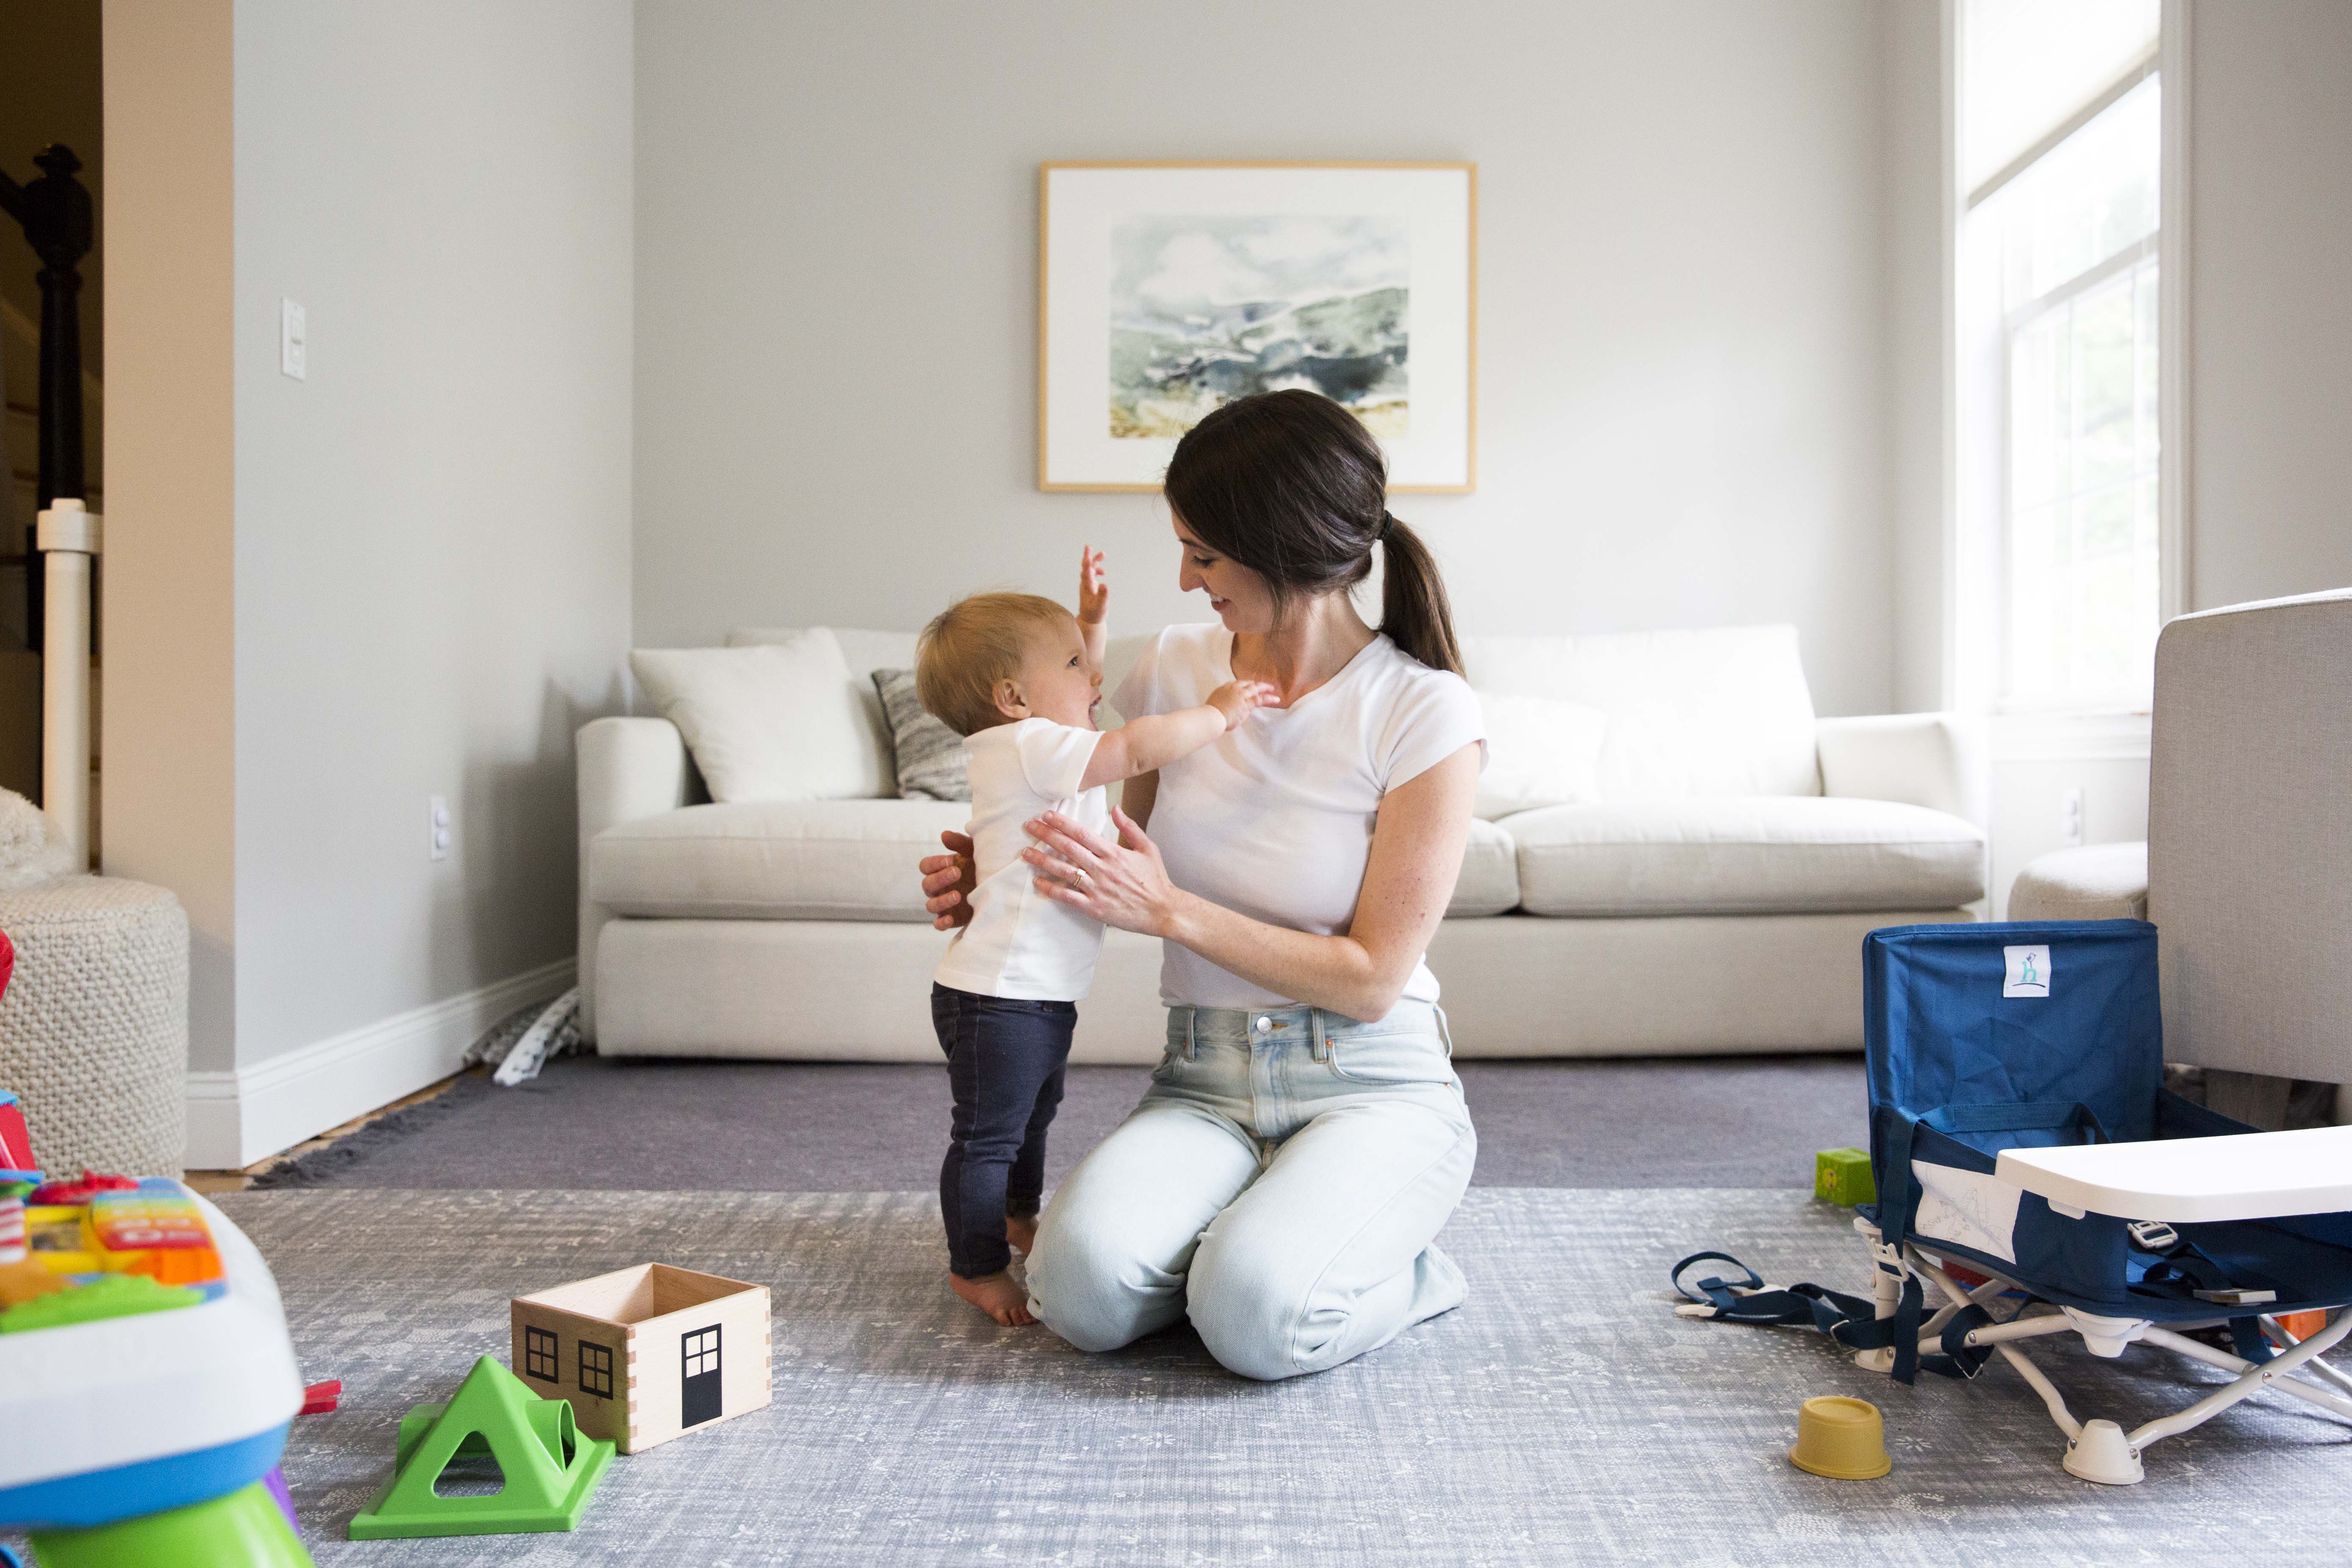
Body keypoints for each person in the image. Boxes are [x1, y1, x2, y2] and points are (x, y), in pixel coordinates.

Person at [919, 389, 1485, 1380]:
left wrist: (1170, 910)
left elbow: (1368, 979)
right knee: (1076, 1292)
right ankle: (1262, 1237)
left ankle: (1398, 1268)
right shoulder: (1177, 667)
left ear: (1282, 546)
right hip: (1204, 1079)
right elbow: (1104, 837)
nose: (1183, 579)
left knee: (1256, 1323)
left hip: (1370, 1083)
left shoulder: (1420, 710)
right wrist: (999, 874)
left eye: (1205, 553)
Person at [913, 552, 1275, 1325]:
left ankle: (1015, 1217)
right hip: (1001, 999)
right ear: (1013, 699)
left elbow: (1084, 702)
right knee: (985, 1136)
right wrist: (1217, 713)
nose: (1094, 680)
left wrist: (1093, 627)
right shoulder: (1035, 747)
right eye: (1075, 665)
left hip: (1029, 994)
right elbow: (1133, 748)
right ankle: (973, 1266)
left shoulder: (1025, 742)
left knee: (1034, 1117)